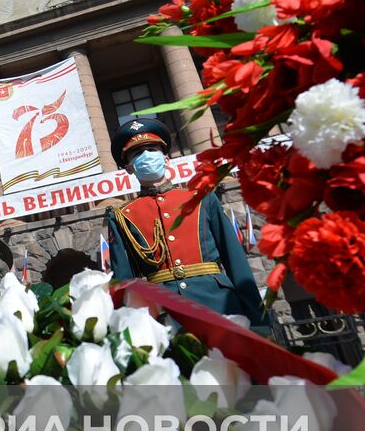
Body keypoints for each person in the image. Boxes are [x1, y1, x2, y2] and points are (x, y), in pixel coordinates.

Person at [104, 118, 267, 326]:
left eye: (152, 149)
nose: (146, 156)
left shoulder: (201, 198)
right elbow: (125, 283)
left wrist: (259, 320)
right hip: (165, 316)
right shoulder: (122, 216)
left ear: (166, 159)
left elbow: (235, 260)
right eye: (136, 154)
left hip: (220, 305)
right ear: (128, 168)